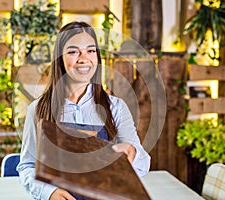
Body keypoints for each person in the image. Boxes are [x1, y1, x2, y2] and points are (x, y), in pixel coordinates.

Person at [17, 21, 151, 200]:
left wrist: (132, 153)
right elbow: (27, 166)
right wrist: (49, 193)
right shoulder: (38, 109)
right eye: (73, 51)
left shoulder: (116, 108)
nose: (84, 58)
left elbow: (143, 164)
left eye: (91, 50)